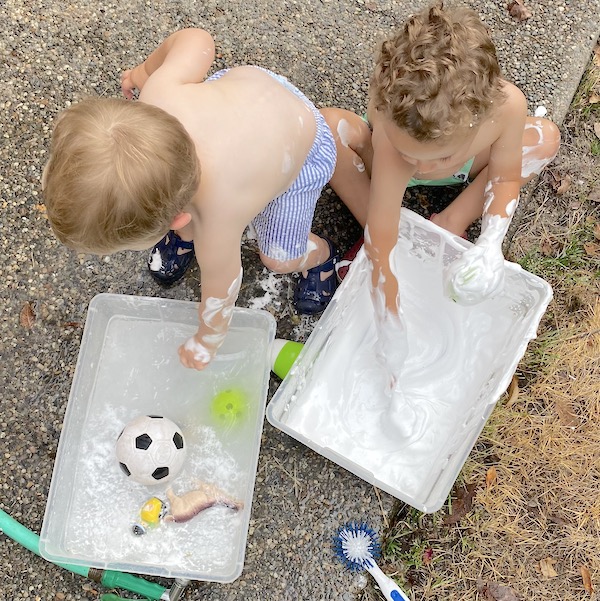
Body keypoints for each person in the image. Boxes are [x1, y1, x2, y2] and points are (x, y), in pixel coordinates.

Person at [43, 28, 339, 371]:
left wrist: (207, 340)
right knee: (177, 190)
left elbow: (222, 284)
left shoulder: (219, 215)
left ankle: (319, 256)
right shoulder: (157, 93)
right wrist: (144, 72)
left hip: (303, 147)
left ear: (177, 219)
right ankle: (175, 223)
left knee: (277, 256)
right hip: (249, 91)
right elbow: (196, 39)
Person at [322, 3, 560, 312]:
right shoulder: (395, 139)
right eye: (413, 155)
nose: (421, 168)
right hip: (384, 161)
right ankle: (405, 241)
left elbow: (505, 177)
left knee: (545, 139)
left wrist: (490, 241)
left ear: (482, 117)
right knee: (325, 130)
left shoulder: (507, 107)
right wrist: (389, 312)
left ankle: (449, 223)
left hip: (463, 166)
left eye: (439, 157)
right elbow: (382, 230)